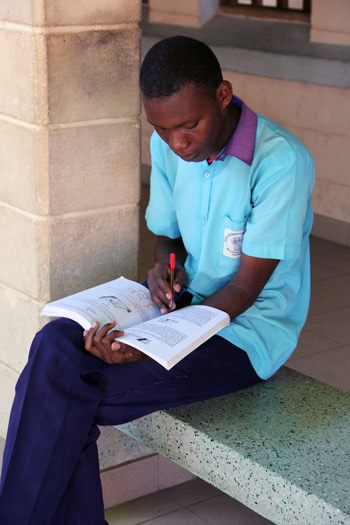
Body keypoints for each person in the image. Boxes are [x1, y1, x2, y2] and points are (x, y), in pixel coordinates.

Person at [0, 35, 315, 524]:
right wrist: (165, 272)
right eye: (162, 130)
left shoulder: (280, 164)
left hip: (246, 335)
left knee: (61, 394)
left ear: (223, 95)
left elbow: (244, 291)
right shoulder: (168, 145)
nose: (177, 143)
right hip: (181, 311)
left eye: (190, 125)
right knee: (56, 342)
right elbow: (167, 241)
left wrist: (146, 344)